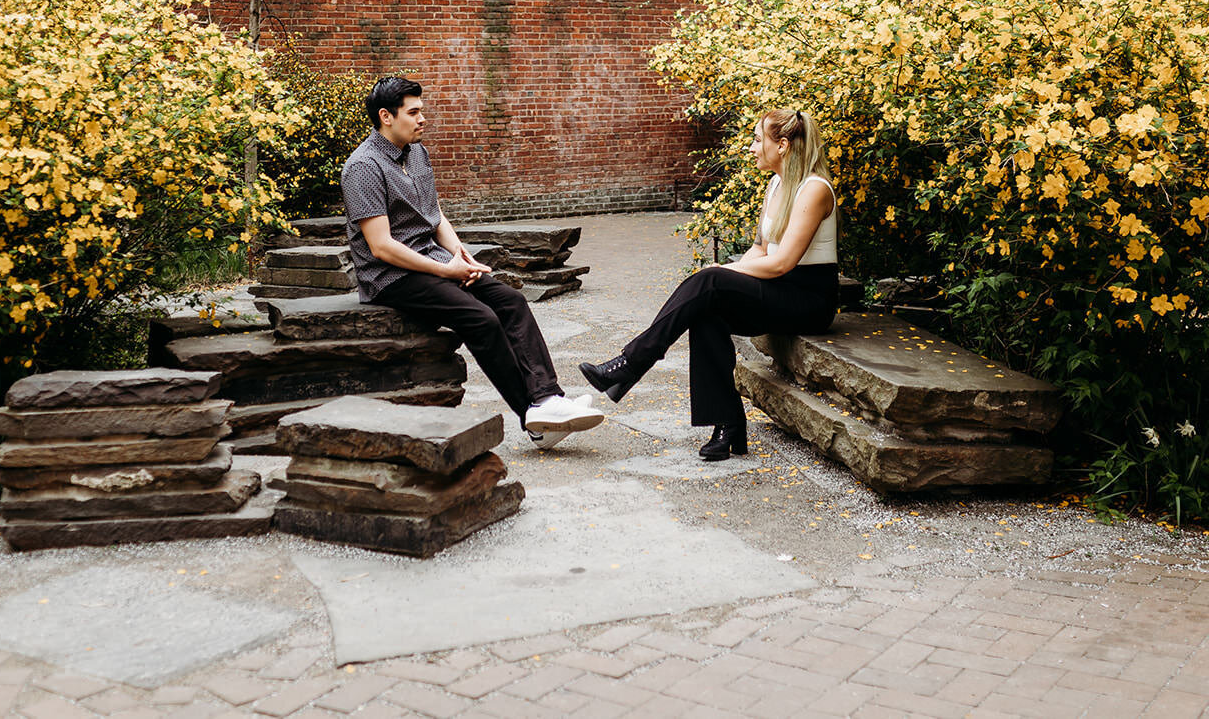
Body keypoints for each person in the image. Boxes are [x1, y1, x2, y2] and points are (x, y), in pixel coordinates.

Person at [341, 76, 605, 448]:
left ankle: (547, 399)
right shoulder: (363, 167)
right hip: (390, 277)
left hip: (433, 260)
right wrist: (445, 270)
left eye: (422, 111)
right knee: (481, 319)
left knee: (511, 301)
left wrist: (460, 254)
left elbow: (434, 216)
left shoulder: (416, 153)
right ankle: (533, 417)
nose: (423, 119)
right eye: (413, 112)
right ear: (386, 116)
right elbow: (381, 247)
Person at [580, 108, 838, 460]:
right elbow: (762, 248)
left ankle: (632, 362)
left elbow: (781, 263)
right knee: (707, 310)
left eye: (757, 140)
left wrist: (724, 273)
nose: (751, 148)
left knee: (711, 281)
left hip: (808, 298)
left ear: (782, 145)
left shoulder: (814, 189)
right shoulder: (777, 184)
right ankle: (728, 425)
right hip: (779, 288)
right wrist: (729, 271)